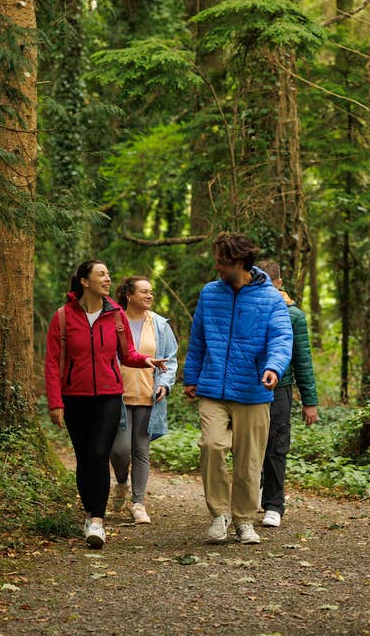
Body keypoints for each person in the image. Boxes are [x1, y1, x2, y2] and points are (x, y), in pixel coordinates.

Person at [45, 260, 168, 550]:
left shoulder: (115, 316)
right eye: (101, 274)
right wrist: (55, 403)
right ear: (84, 281)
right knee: (85, 457)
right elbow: (52, 363)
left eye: (109, 275)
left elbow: (127, 354)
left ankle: (97, 521)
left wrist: (145, 360)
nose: (108, 279)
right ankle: (89, 513)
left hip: (110, 396)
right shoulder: (63, 317)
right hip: (74, 398)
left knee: (100, 454)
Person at [184, 232, 292, 545]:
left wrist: (273, 367)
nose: (216, 265)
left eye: (222, 261)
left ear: (240, 263)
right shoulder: (209, 293)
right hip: (213, 388)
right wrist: (192, 377)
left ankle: (245, 520)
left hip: (253, 391)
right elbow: (199, 338)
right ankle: (220, 514)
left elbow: (282, 339)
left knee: (249, 460)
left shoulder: (270, 297)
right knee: (213, 446)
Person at [254, 260, 318, 529]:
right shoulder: (247, 307)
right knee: (249, 446)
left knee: (276, 446)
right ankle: (254, 493)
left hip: (279, 388)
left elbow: (302, 360)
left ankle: (274, 504)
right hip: (248, 387)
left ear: (279, 283)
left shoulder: (294, 316)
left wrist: (309, 401)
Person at [110, 275, 178, 524]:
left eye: (151, 292)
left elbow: (170, 360)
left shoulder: (160, 324)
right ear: (129, 295)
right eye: (144, 292)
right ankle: (120, 481)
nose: (150, 296)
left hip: (149, 396)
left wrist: (164, 385)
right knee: (119, 450)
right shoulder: (115, 322)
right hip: (118, 397)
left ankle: (138, 503)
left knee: (141, 451)